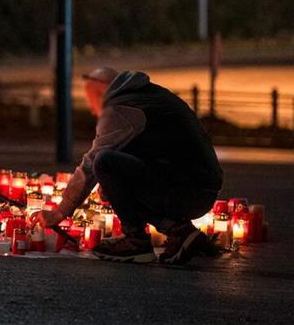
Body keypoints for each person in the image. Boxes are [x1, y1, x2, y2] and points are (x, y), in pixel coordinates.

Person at [38, 68, 223, 264]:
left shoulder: (119, 109)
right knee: (110, 179)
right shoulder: (147, 95)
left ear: (102, 93)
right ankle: (180, 232)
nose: (93, 111)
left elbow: (91, 165)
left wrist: (59, 212)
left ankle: (136, 241)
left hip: (188, 193)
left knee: (104, 162)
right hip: (199, 187)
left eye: (91, 100)